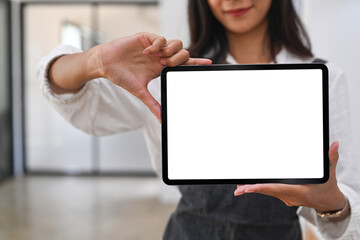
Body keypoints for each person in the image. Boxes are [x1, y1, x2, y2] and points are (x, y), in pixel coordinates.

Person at [37, 1, 360, 239]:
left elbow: (343, 194)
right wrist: (95, 60)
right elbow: (82, 105)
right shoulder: (167, 70)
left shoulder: (325, 78)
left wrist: (332, 204)